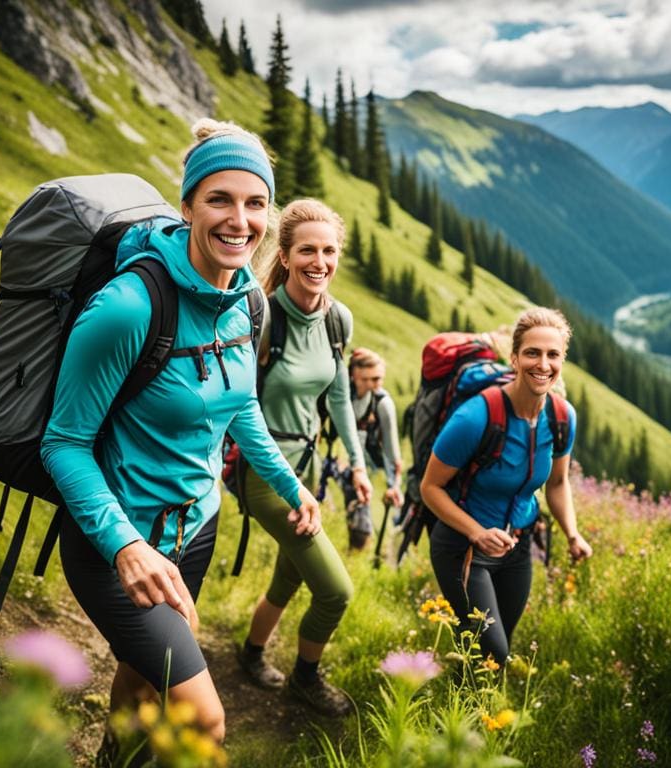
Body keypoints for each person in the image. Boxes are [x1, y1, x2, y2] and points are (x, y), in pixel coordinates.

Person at [40, 118, 319, 749]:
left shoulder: (249, 301)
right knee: (205, 721)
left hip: (195, 530)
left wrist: (286, 481)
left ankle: (111, 759)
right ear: (188, 202)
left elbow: (239, 403)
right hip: (117, 544)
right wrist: (126, 546)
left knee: (141, 681)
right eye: (219, 199)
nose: (238, 221)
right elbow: (63, 442)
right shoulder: (129, 308)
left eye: (255, 204)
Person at [235, 198, 372, 717]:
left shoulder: (338, 319)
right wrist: (290, 481)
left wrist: (357, 465)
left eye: (329, 251)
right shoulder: (263, 316)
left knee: (291, 573)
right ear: (286, 256)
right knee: (335, 591)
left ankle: (250, 653)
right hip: (265, 472)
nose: (320, 262)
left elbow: (337, 396)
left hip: (309, 467)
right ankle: (305, 679)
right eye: (308, 251)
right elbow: (239, 403)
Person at [420, 307, 592, 665]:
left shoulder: (562, 417)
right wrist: (477, 533)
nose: (542, 364)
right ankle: (458, 716)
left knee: (489, 653)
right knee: (493, 650)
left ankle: (465, 715)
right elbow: (430, 488)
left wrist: (572, 534)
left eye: (552, 355)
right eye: (532, 353)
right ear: (514, 357)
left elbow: (558, 483)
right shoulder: (476, 416)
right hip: (463, 546)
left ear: (562, 361)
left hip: (517, 547)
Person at [342, 347, 403, 550]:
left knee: (361, 528)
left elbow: (392, 450)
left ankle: (354, 560)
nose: (376, 385)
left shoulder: (383, 404)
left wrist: (394, 484)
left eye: (379, 379)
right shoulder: (340, 396)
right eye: (370, 379)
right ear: (354, 375)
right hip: (337, 462)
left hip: (368, 469)